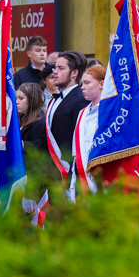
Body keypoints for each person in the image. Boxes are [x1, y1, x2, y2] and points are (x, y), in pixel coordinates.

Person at [45, 51, 88, 180]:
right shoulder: (54, 100)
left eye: (61, 68)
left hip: (69, 172)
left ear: (74, 73)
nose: (54, 72)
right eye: (55, 67)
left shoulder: (80, 100)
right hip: (52, 171)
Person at [69, 64, 105, 198]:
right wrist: (73, 187)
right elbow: (76, 154)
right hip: (81, 174)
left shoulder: (109, 113)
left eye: (87, 83)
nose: (82, 87)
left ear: (101, 84)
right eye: (81, 83)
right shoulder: (82, 113)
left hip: (101, 174)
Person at [17, 82, 47, 150]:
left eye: (21, 98)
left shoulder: (40, 122)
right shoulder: (21, 118)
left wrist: (21, 144)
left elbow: (39, 146)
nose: (17, 102)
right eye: (16, 98)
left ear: (32, 100)